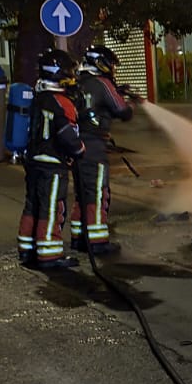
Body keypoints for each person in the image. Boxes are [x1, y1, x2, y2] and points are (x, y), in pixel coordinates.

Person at [18, 49, 86, 271]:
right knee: (51, 208)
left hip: (33, 162)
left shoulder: (38, 98)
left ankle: (27, 249)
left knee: (32, 205)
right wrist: (79, 149)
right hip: (52, 165)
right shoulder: (61, 101)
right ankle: (49, 254)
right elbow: (67, 134)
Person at [71, 44, 135, 255]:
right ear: (102, 64)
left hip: (76, 145)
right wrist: (129, 103)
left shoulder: (77, 82)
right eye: (111, 65)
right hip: (94, 147)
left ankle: (79, 238)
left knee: (83, 192)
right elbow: (122, 110)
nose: (113, 69)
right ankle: (97, 241)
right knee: (98, 192)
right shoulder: (102, 83)